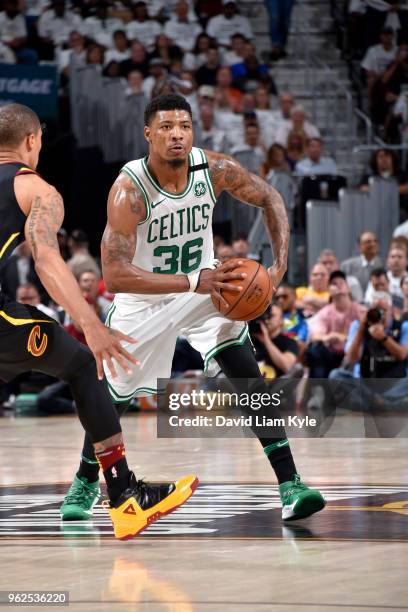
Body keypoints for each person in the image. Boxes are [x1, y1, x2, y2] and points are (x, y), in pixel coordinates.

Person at [64, 93, 325, 523]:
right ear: (148, 134)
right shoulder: (130, 190)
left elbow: (271, 199)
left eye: (184, 126)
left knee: (246, 373)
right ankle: (85, 481)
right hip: (145, 298)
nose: (177, 135)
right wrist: (190, 281)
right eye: (166, 127)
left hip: (209, 287)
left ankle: (290, 484)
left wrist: (277, 269)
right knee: (114, 396)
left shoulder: (214, 169)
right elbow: (114, 274)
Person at [0, 103, 197, 540]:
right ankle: (124, 495)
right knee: (81, 365)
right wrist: (92, 325)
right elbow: (47, 261)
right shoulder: (34, 189)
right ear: (33, 141)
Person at [307, 271, 362, 378]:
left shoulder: (360, 310)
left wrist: (344, 338)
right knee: (316, 348)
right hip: (332, 355)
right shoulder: (324, 312)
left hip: (354, 355)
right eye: (333, 283)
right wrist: (329, 336)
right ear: (329, 290)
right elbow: (314, 336)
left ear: (349, 288)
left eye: (341, 282)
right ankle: (319, 390)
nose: (338, 285)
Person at [252, 304, 299, 378]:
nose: (267, 319)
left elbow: (286, 366)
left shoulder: (290, 343)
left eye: (271, 315)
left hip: (274, 386)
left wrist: (266, 340)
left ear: (281, 320)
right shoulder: (253, 338)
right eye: (264, 315)